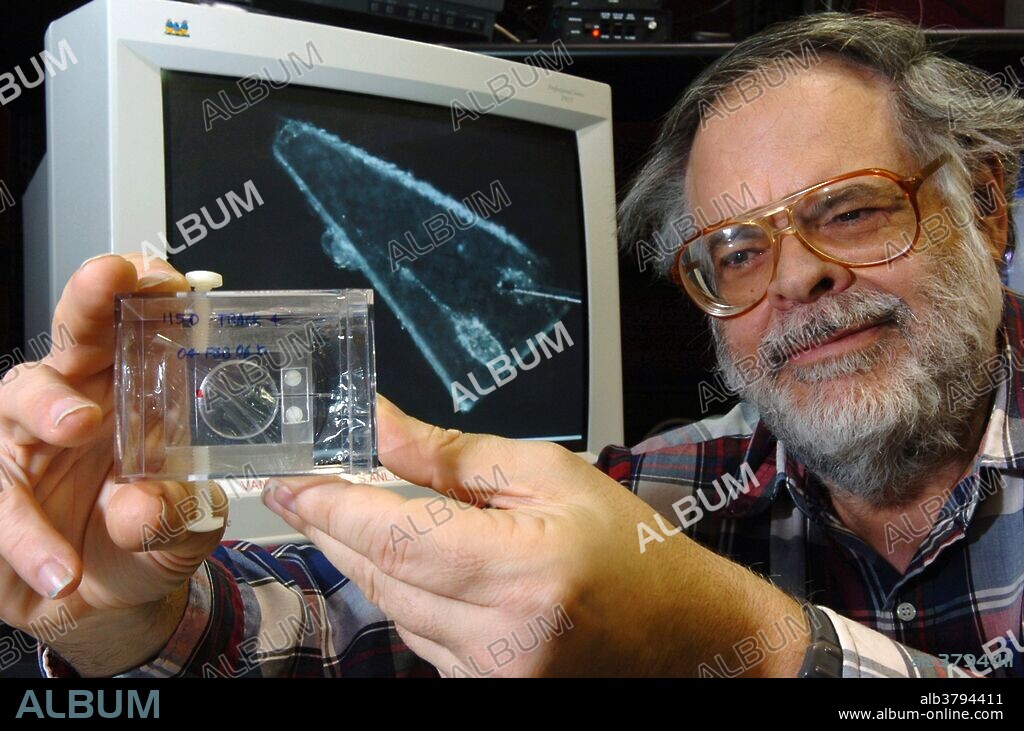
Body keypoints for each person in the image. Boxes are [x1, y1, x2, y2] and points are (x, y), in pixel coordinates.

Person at [1, 11, 1022, 678]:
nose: (795, 277)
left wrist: (749, 645)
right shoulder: (683, 484)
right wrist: (126, 609)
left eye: (848, 210)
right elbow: (343, 619)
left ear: (984, 211)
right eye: (737, 250)